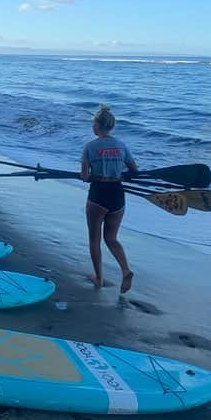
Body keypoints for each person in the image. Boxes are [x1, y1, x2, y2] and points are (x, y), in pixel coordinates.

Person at [81, 104, 138, 293]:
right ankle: (126, 269)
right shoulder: (121, 145)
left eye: (94, 124)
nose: (93, 127)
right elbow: (134, 170)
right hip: (117, 194)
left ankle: (98, 277)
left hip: (98, 194)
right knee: (112, 238)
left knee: (94, 239)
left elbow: (84, 177)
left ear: (97, 126)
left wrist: (93, 175)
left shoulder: (90, 146)